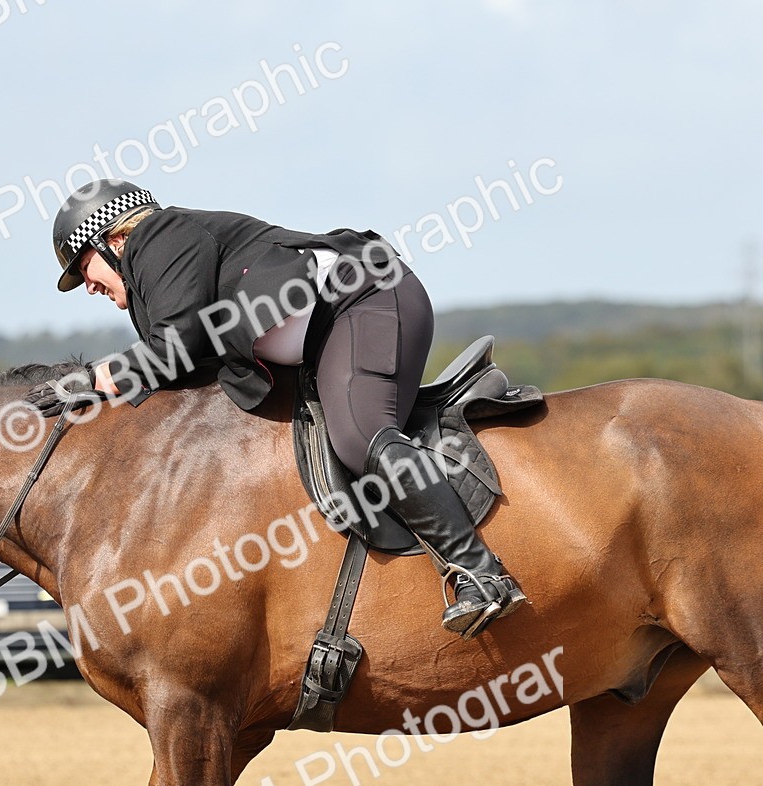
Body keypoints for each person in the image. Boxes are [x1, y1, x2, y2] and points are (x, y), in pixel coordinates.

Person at [26, 179, 525, 635]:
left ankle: (480, 573)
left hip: (364, 298)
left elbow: (173, 348)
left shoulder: (158, 235)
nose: (85, 285)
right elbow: (181, 371)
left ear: (113, 240)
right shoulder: (151, 273)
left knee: (358, 437)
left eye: (81, 268)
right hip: (324, 336)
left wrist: (94, 378)